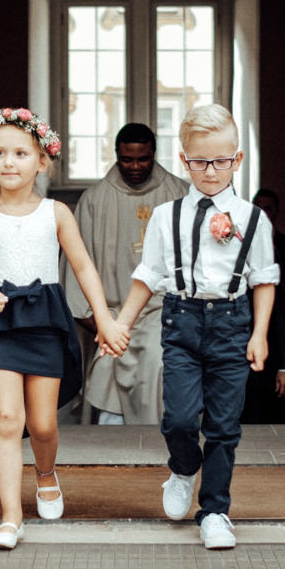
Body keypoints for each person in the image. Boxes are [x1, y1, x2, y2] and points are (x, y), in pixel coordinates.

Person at [0, 107, 127, 550]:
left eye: (20, 153)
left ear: (41, 161)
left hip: (46, 322)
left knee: (44, 424)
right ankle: (10, 518)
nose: (9, 162)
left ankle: (46, 473)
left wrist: (104, 320)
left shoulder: (56, 213)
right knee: (8, 420)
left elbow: (83, 266)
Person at [115, 104, 279, 549]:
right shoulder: (165, 217)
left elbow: (264, 280)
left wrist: (259, 334)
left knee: (225, 426)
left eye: (221, 160)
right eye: (201, 161)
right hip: (182, 321)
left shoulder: (252, 220)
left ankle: (215, 512)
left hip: (232, 323)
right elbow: (147, 277)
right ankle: (184, 466)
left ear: (237, 159)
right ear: (184, 159)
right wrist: (121, 325)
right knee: (181, 418)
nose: (211, 171)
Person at [63, 123, 189, 425]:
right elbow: (76, 269)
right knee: (107, 395)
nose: (135, 166)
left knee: (160, 374)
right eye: (127, 159)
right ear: (117, 155)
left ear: (154, 155)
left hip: (164, 317)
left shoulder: (180, 195)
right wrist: (103, 326)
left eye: (142, 159)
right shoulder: (95, 199)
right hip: (111, 319)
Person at [243, 188, 285, 422]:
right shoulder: (240, 241)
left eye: (268, 208)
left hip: (272, 341)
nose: (263, 213)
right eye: (259, 207)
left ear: (276, 212)